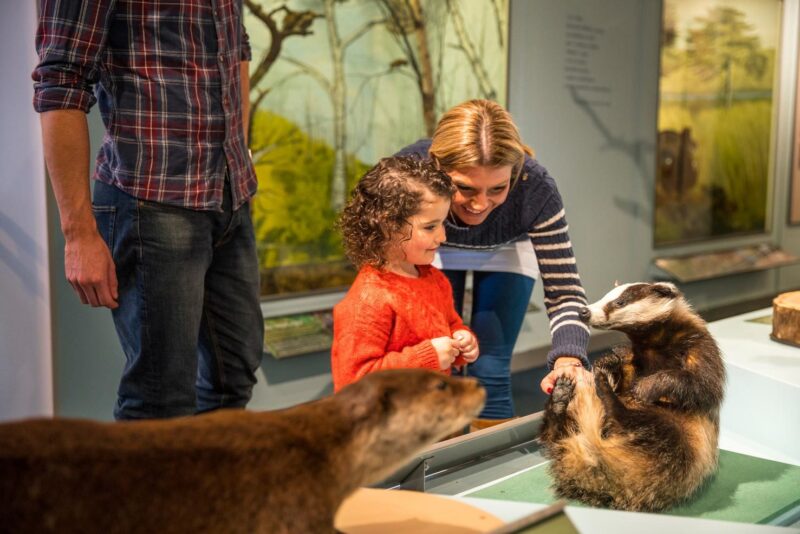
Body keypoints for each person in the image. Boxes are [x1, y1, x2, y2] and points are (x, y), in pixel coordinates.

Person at [32, 1, 263, 420]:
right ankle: (150, 487)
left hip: (229, 193)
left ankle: (205, 486)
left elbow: (237, 48)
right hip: (152, 200)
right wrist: (78, 234)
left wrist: (239, 154)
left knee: (234, 378)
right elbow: (60, 81)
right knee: (159, 398)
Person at [396, 99, 591, 428]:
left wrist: (569, 359)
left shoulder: (536, 189)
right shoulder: (407, 173)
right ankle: (440, 466)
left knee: (490, 367)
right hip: (435, 246)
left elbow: (565, 292)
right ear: (436, 166)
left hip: (508, 247)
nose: (480, 204)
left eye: (497, 189)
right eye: (465, 188)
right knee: (443, 364)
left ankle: (493, 471)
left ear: (514, 172)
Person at [331, 157, 479, 392]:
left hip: (430, 415)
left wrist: (461, 340)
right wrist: (428, 357)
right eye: (430, 227)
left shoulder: (436, 280)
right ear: (389, 225)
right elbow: (354, 380)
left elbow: (451, 325)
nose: (442, 237)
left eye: (442, 224)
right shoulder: (368, 300)